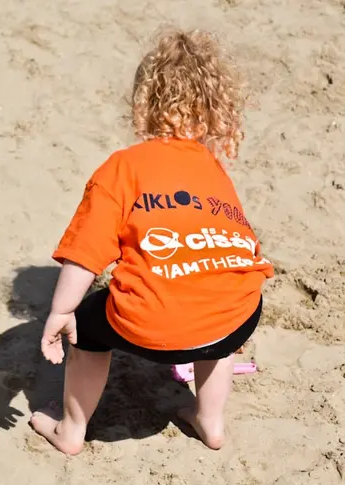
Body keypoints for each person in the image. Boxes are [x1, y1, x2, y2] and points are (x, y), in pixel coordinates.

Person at [30, 28, 274, 455]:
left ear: (144, 102)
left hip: (155, 324)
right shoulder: (213, 169)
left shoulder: (124, 166)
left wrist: (61, 310)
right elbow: (238, 240)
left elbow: (86, 252)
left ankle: (70, 430)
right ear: (214, 109)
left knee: (87, 325)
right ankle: (210, 422)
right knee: (222, 313)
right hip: (236, 314)